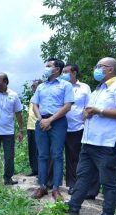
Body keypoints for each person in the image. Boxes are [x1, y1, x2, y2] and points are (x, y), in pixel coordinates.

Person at [67, 57, 116, 215]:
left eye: (99, 66)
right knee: (82, 175)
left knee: (108, 181)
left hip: (108, 143)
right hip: (89, 141)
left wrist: (99, 111)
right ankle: (74, 206)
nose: (96, 69)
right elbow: (89, 111)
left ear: (110, 69)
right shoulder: (97, 91)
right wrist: (86, 113)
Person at [31, 58, 74, 200]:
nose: (46, 68)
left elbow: (67, 106)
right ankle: (42, 186)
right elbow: (35, 105)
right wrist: (41, 120)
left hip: (58, 122)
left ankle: (56, 188)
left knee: (56, 155)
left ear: (57, 69)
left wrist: (50, 120)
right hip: (41, 122)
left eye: (48, 66)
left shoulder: (65, 85)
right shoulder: (41, 87)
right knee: (42, 155)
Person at [60, 64, 91, 195]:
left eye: (66, 72)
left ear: (74, 73)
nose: (63, 74)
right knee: (56, 155)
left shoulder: (84, 88)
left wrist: (85, 121)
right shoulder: (61, 86)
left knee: (74, 157)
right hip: (60, 126)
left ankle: (74, 185)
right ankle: (52, 182)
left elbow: (88, 106)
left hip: (77, 127)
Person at [26, 79, 42, 176]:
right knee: (31, 149)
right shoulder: (33, 97)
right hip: (30, 126)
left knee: (39, 150)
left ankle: (41, 170)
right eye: (32, 86)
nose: (32, 87)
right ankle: (34, 169)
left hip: (38, 126)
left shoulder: (42, 96)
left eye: (34, 86)